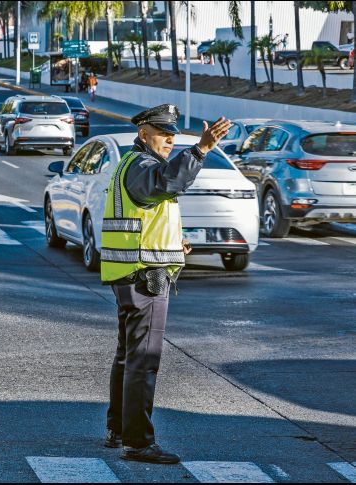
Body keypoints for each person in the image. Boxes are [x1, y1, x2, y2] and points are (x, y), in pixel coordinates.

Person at [100, 104, 232, 464]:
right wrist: (200, 149)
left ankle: (118, 430)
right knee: (143, 359)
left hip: (132, 272)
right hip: (145, 276)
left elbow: (147, 218)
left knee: (128, 356)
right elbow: (167, 183)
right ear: (144, 134)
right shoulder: (142, 166)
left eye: (174, 134)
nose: (171, 140)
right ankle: (138, 443)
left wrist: (176, 245)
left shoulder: (133, 164)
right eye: (163, 133)